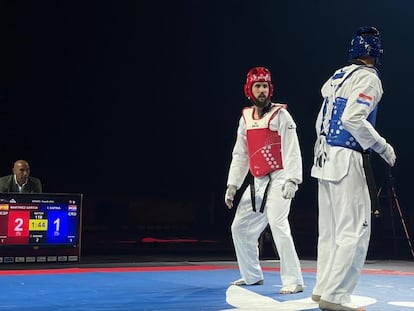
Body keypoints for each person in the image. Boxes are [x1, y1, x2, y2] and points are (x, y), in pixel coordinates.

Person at [310, 26, 396, 311]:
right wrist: (383, 148)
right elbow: (353, 119)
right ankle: (336, 296)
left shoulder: (337, 76)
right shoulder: (368, 79)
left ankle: (323, 287)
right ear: (377, 52)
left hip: (323, 157)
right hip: (347, 157)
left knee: (331, 230)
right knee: (355, 229)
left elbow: (321, 120)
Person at [224, 66, 304, 294]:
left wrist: (292, 180)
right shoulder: (246, 118)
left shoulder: (281, 115)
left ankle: (294, 280)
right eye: (257, 86)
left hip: (279, 177)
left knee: (278, 224)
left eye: (265, 86)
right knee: (239, 227)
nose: (262, 90)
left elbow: (292, 148)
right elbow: (241, 154)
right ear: (249, 90)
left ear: (271, 90)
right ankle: (251, 276)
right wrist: (232, 185)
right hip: (257, 181)